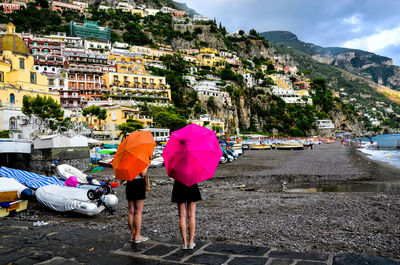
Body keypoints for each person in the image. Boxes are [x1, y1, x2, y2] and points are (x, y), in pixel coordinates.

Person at [171, 180, 202, 250]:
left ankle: (184, 243)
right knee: (191, 216)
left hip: (179, 185)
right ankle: (191, 243)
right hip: (192, 184)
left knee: (182, 216)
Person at [126, 166, 149, 243]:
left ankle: (132, 235)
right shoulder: (140, 159)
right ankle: (137, 236)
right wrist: (147, 165)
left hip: (129, 183)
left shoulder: (127, 157)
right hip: (139, 183)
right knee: (138, 212)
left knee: (131, 211)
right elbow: (143, 173)